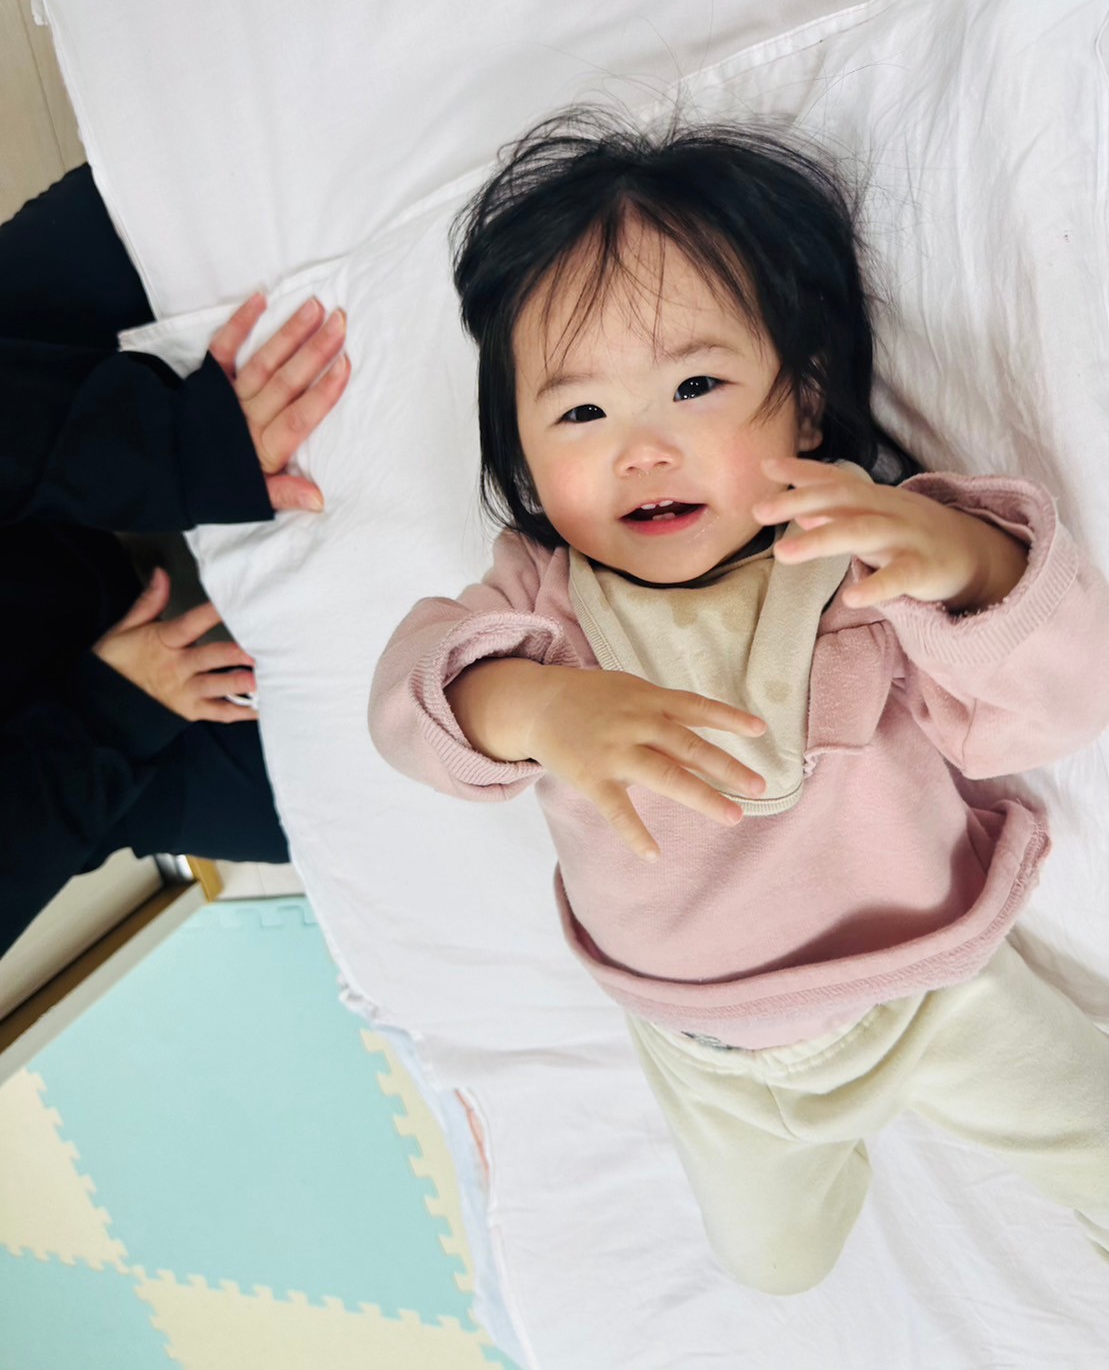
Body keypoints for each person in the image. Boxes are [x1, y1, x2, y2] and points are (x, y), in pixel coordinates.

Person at [369, 108, 1109, 1292]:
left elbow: (1064, 699)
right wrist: (538, 710)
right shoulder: (542, 605)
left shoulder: (858, 554)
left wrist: (965, 561)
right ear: (521, 452)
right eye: (579, 413)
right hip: (701, 1043)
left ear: (805, 403)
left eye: (695, 385)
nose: (640, 449)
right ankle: (819, 1182)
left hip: (926, 984)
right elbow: (408, 710)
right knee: (774, 1266)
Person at [1, 165, 349, 955]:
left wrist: (174, 449)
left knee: (201, 185)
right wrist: (107, 716)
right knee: (375, 804)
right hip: (52, 735)